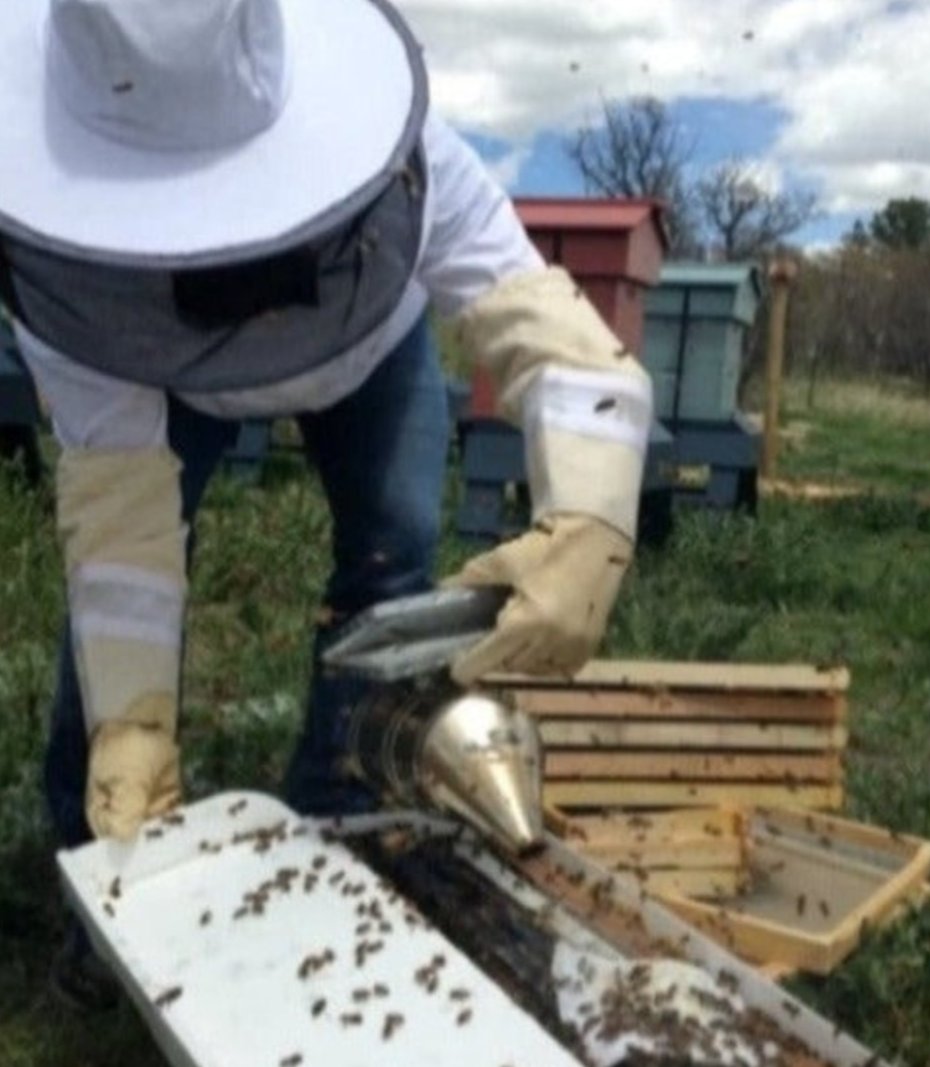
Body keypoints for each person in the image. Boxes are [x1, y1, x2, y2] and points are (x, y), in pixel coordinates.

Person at [0, 0, 652, 1011]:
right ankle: (99, 867)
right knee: (111, 649)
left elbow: (557, 342)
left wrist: (591, 516)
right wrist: (131, 714)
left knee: (391, 553)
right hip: (158, 383)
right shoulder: (61, 253)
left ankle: (343, 824)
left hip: (371, 357)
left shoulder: (409, 153)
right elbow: (121, 527)